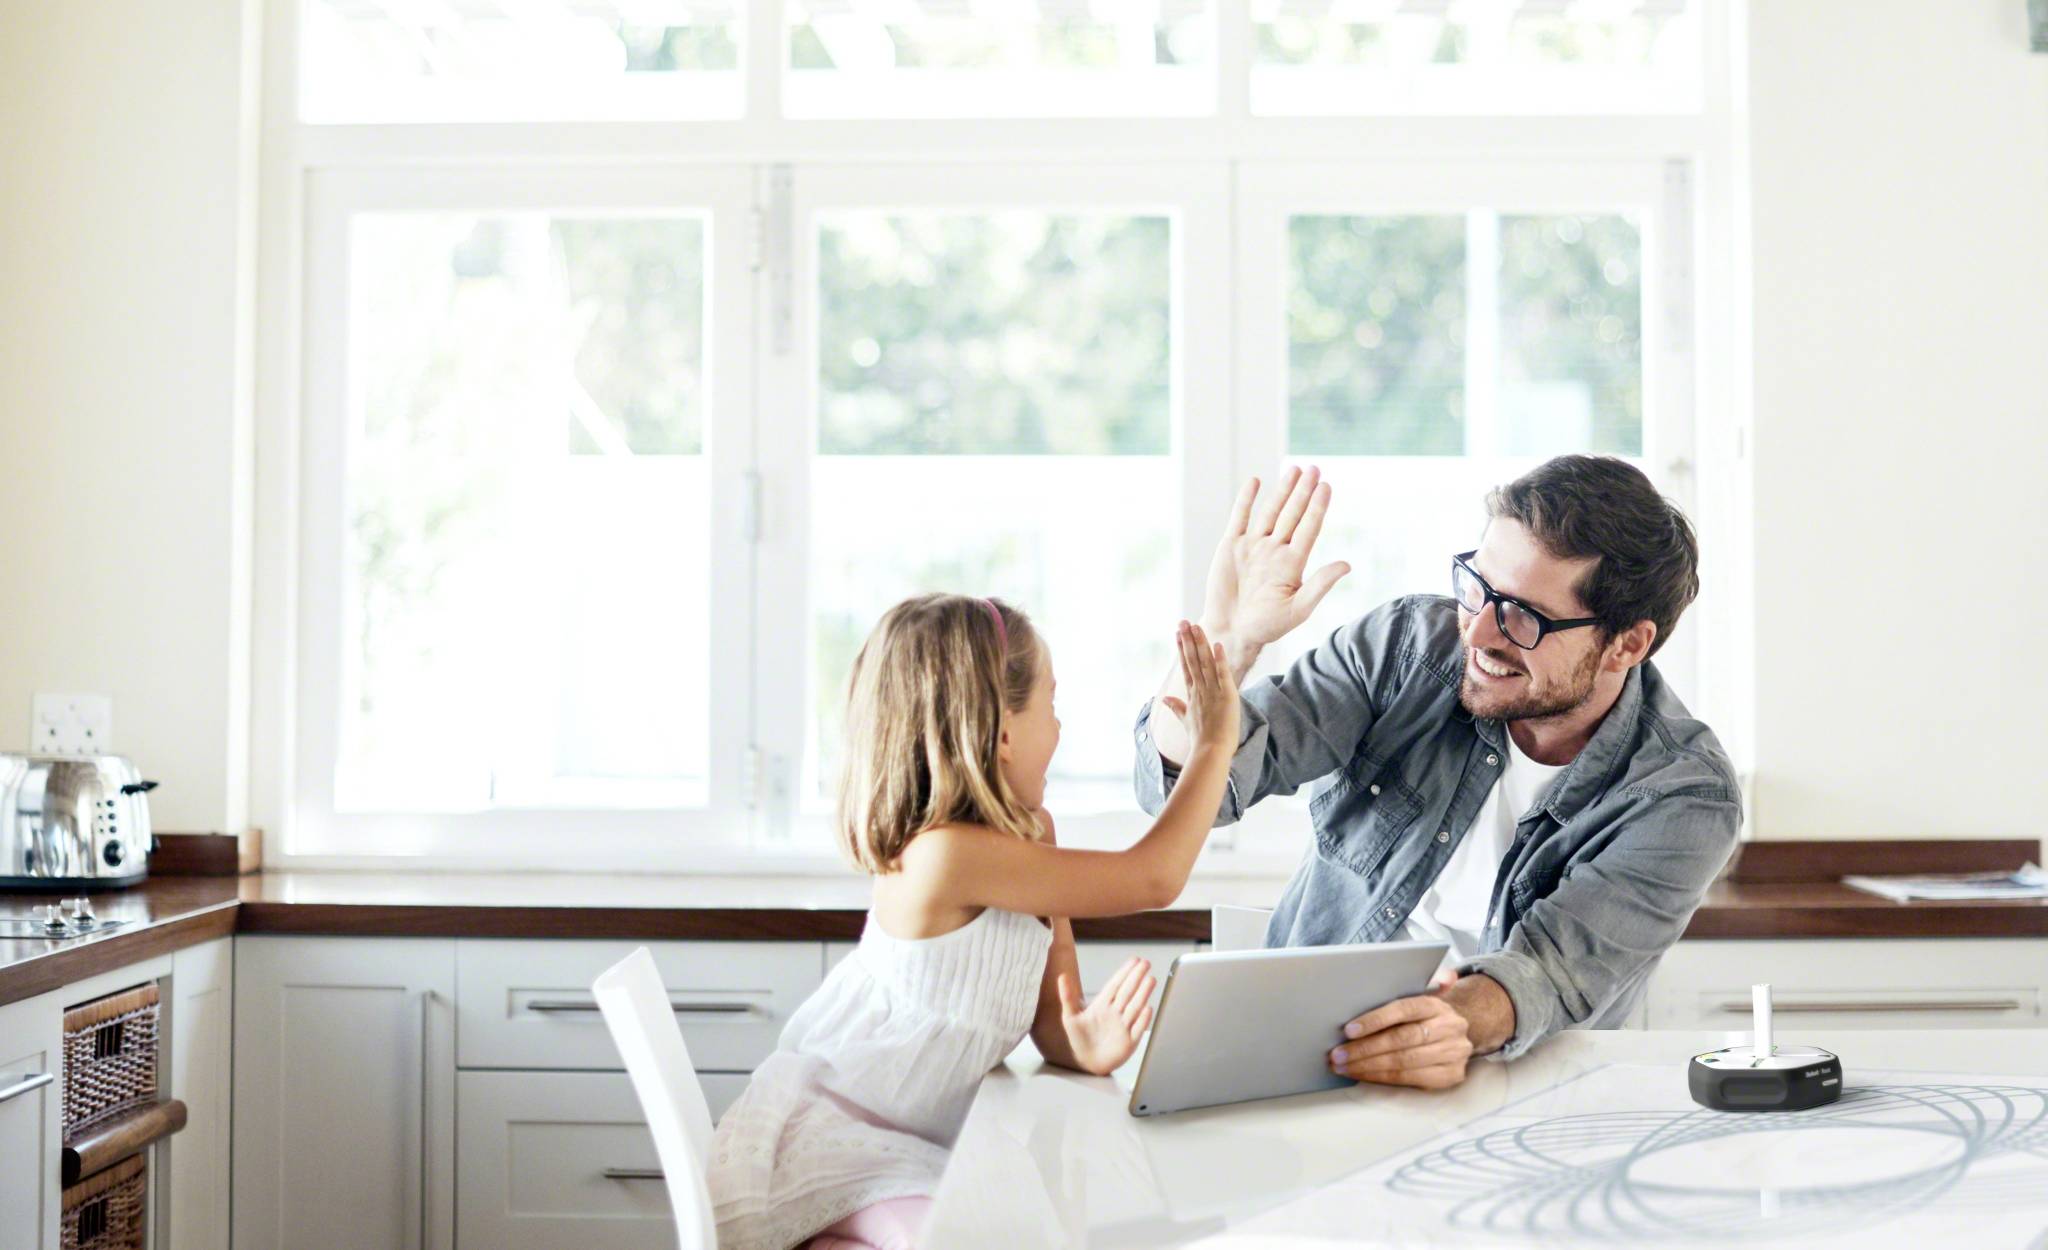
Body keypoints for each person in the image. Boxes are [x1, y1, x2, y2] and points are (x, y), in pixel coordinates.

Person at [1136, 455, 1741, 1091]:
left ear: (1627, 644)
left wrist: (1448, 1024)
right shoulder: (1407, 646)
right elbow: (1186, 792)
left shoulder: (1682, 796)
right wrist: (1228, 643)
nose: (1479, 631)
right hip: (1301, 1054)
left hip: (1513, 1085)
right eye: (1477, 587)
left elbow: (1553, 972)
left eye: (1524, 617)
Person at [709, 595, 1240, 1250]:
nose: (1060, 727)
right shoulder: (942, 856)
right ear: (1005, 733)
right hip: (842, 1141)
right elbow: (1154, 877)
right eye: (1052, 703)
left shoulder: (1033, 838)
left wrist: (1083, 1045)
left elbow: (1053, 1019)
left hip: (921, 1147)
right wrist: (1214, 745)